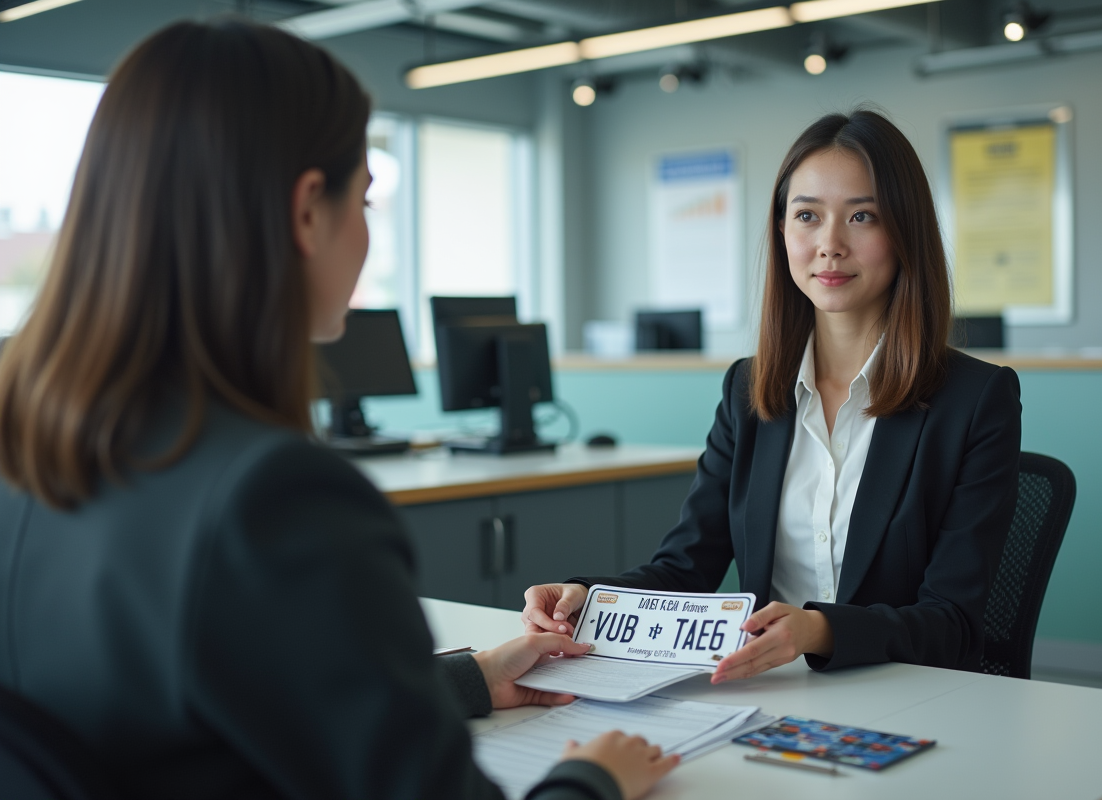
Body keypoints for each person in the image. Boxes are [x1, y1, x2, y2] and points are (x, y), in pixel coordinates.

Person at [0, 19, 676, 800]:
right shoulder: (274, 500)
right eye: (365, 198)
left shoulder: (31, 450)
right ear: (306, 211)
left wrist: (468, 682)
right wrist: (590, 780)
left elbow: (190, 713)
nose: (365, 230)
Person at [523, 108, 1022, 682]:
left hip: (906, 694)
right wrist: (585, 595)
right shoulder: (748, 391)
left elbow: (952, 623)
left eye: (862, 216)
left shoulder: (976, 400)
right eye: (807, 215)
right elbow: (685, 568)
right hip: (771, 696)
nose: (829, 245)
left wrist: (819, 630)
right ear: (782, 230)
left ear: (905, 230)